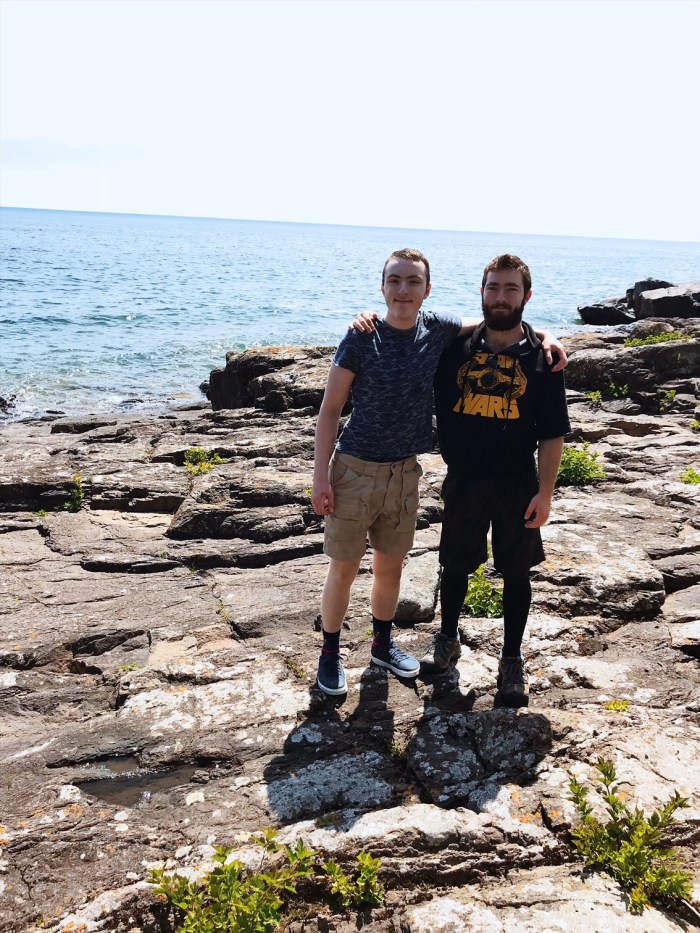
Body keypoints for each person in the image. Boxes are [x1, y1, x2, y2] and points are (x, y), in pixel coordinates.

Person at [312, 249, 566, 698]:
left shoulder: (468, 338)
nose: (403, 289)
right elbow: (330, 409)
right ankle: (358, 650)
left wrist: (547, 335)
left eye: (413, 282)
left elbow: (549, 428)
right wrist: (321, 477)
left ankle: (491, 658)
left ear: (427, 290)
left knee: (416, 572)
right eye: (395, 280)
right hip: (401, 473)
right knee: (392, 568)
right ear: (383, 285)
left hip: (455, 477)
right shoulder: (398, 340)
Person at [421, 254, 570, 707]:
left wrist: (545, 493)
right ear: (481, 293)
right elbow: (404, 330)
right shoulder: (453, 350)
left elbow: (552, 434)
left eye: (510, 289)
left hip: (516, 483)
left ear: (527, 295)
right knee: (455, 565)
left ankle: (511, 658)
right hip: (464, 479)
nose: (500, 297)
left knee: (516, 572)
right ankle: (447, 639)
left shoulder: (543, 361)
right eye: (493, 288)